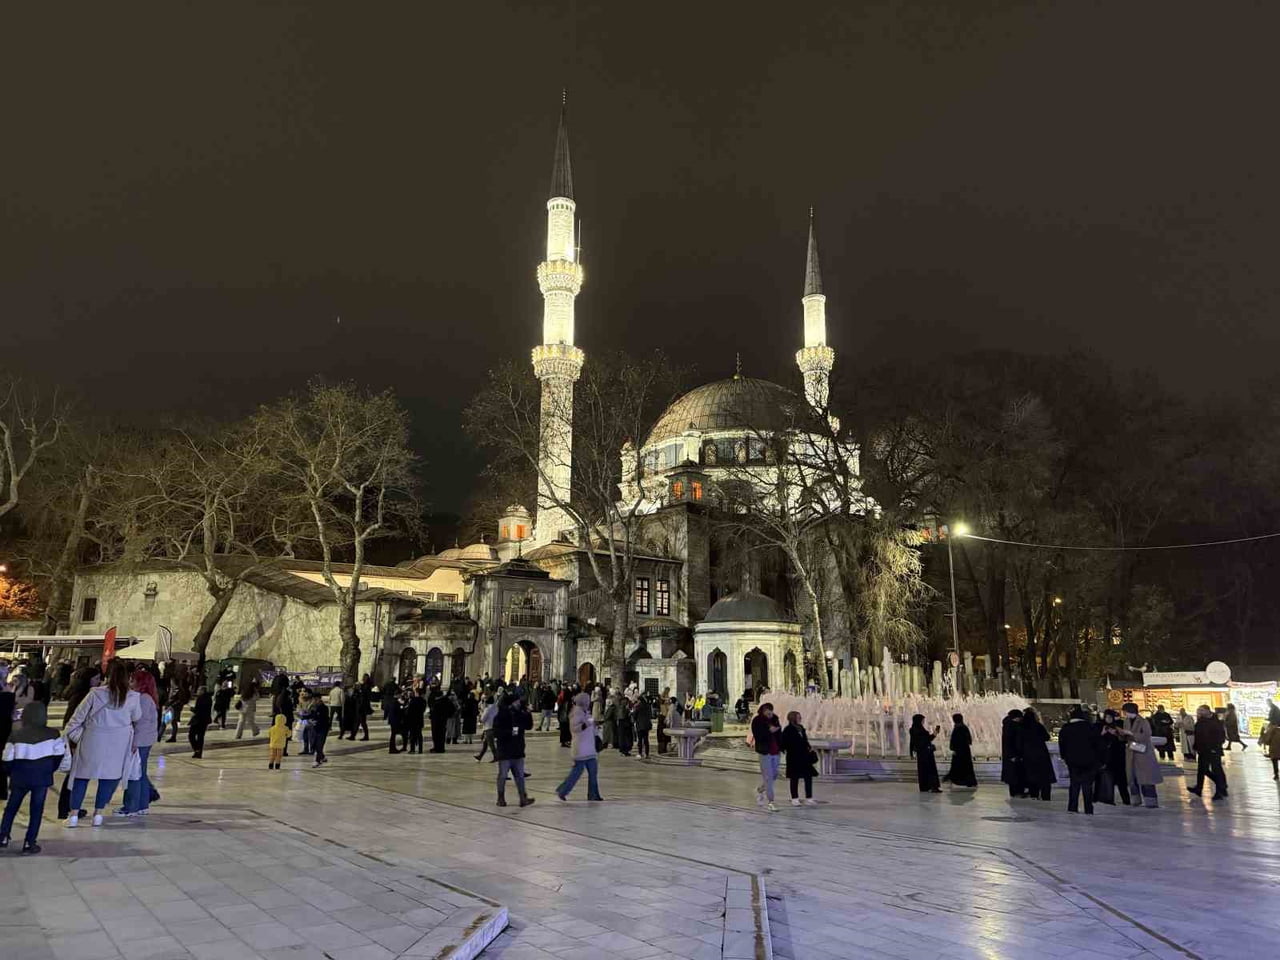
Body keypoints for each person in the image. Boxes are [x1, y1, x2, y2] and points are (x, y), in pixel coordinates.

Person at [63, 659, 142, 827]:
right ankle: (98, 814)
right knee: (109, 778)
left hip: (93, 739)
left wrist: (78, 737)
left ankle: (74, 815)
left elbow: (78, 717)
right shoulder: (134, 697)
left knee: (81, 777)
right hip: (118, 743)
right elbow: (136, 717)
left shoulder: (95, 693)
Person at [0, 701, 67, 854]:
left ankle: (3, 836)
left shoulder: (16, 735)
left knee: (11, 808)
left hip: (20, 777)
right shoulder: (53, 734)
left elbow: (7, 758)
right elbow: (58, 755)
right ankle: (29, 843)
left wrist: (12, 772)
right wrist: (49, 769)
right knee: (36, 811)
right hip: (41, 778)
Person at [555, 692, 603, 801]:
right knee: (576, 774)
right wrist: (587, 724)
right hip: (581, 749)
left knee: (593, 773)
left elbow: (590, 725)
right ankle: (562, 791)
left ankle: (593, 794)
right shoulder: (576, 713)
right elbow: (575, 728)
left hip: (589, 749)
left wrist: (595, 727)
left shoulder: (585, 712)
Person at [1116, 701, 1162, 807]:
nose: (1125, 714)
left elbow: (1146, 736)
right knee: (1132, 778)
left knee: (1146, 779)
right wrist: (1120, 734)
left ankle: (1150, 801)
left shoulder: (1143, 721)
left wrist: (1131, 733)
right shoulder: (1126, 721)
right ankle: (1136, 799)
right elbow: (1125, 737)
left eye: (1126, 712)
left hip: (1143, 752)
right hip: (1131, 751)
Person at [494, 692, 535, 808]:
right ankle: (500, 798)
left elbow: (528, 726)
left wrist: (528, 713)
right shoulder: (502, 715)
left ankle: (523, 798)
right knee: (502, 775)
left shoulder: (520, 713)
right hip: (505, 751)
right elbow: (496, 732)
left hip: (517, 750)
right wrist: (510, 732)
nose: (519, 703)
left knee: (520, 776)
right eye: (517, 701)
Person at [1057, 706, 1101, 814]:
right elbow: (1098, 745)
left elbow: (1062, 744)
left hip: (1072, 760)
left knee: (1074, 784)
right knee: (1087, 785)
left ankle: (1072, 807)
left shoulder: (1066, 728)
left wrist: (1064, 757)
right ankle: (1088, 808)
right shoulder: (1090, 727)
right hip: (1089, 760)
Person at [1188, 705, 1227, 799]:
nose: (1199, 712)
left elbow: (1221, 736)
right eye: (1198, 710)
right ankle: (1199, 788)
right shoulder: (1201, 721)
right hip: (1202, 749)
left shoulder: (1216, 721)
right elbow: (1198, 735)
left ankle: (1220, 790)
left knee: (1216, 769)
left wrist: (1215, 747)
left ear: (1207, 710)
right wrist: (1195, 747)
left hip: (1214, 750)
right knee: (1202, 770)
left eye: (1201, 710)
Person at [778, 710, 818, 806]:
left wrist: (809, 747)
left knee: (808, 777)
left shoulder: (801, 728)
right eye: (798, 717)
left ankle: (809, 797)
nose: (800, 719)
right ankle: (795, 798)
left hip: (804, 757)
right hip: (794, 757)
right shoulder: (788, 730)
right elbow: (783, 743)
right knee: (794, 778)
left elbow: (805, 740)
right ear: (793, 718)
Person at [1095, 709, 1132, 806]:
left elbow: (1124, 739)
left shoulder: (1118, 726)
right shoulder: (1099, 726)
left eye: (1110, 717)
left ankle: (1126, 799)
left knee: (1121, 780)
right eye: (1107, 717)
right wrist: (1102, 733)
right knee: (1107, 779)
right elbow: (1095, 740)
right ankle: (1107, 798)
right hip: (1106, 758)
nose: (1109, 719)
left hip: (1118, 756)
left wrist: (1116, 733)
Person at [751, 702, 783, 811]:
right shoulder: (757, 721)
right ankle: (771, 802)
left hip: (776, 751)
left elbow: (779, 733)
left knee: (773, 776)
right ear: (763, 711)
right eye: (767, 712)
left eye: (771, 711)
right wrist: (769, 731)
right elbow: (758, 736)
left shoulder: (775, 719)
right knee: (768, 777)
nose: (770, 714)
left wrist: (781, 746)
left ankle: (760, 790)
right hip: (765, 752)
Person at [1020, 708, 1056, 801]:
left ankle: (1034, 795)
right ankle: (1046, 796)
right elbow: (1046, 737)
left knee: (1031, 775)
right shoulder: (1038, 726)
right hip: (1041, 753)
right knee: (1044, 776)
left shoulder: (1021, 727)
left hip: (1027, 754)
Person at [908, 714, 942, 793]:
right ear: (919, 720)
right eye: (922, 720)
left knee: (923, 770)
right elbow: (926, 740)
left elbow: (912, 742)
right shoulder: (918, 730)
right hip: (926, 752)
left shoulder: (913, 729)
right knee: (930, 769)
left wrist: (935, 733)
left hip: (921, 753)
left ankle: (924, 787)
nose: (923, 721)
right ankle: (933, 786)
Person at [944, 713, 978, 788]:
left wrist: (954, 748)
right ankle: (968, 781)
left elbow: (956, 740)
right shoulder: (964, 727)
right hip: (965, 750)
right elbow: (969, 740)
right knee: (966, 766)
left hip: (960, 751)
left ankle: (960, 780)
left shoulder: (959, 728)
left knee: (959, 766)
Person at [1000, 709, 1025, 798]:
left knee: (1015, 774)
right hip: (1013, 755)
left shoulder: (1009, 725)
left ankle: (1016, 792)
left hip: (1012, 754)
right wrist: (1012, 755)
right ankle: (1016, 792)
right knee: (1015, 774)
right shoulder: (1010, 726)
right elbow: (1008, 742)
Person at [163, 663, 189, 742]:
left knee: (167, 720)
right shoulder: (184, 679)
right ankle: (172, 736)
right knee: (173, 720)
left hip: (174, 702)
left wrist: (169, 701)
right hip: (178, 702)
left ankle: (162, 734)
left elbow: (175, 690)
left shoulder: (176, 679)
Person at [188, 686, 213, 759]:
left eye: (199, 690)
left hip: (198, 720)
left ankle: (197, 750)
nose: (198, 691)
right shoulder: (209, 698)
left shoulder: (200, 698)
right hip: (205, 720)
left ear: (202, 691)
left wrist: (192, 709)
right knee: (200, 736)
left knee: (191, 735)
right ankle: (199, 752)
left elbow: (198, 710)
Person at [428, 685, 455, 753]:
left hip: (436, 718)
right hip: (442, 719)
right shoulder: (444, 698)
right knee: (441, 734)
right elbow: (452, 708)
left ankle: (437, 748)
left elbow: (431, 705)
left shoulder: (434, 697)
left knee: (436, 734)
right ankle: (440, 748)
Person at [475, 694, 498, 761]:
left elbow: (483, 719)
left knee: (491, 744)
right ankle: (480, 756)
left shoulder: (487, 709)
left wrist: (479, 719)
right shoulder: (496, 708)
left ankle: (496, 756)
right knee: (485, 743)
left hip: (488, 728)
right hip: (494, 727)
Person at [404, 687, 427, 754]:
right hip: (419, 720)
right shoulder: (423, 701)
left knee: (412, 735)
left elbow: (409, 711)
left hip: (412, 720)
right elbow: (423, 710)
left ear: (416, 693)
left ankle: (412, 749)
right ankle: (420, 749)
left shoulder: (413, 701)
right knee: (419, 735)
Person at [310, 695, 331, 766]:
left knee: (319, 744)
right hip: (316, 728)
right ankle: (322, 757)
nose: (313, 701)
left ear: (318, 699)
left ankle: (317, 760)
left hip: (322, 728)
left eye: (315, 700)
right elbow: (313, 716)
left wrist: (315, 721)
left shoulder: (324, 708)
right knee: (315, 744)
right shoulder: (314, 707)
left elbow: (323, 719)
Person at [1261, 706, 1280, 781]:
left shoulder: (1272, 730)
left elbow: (1267, 741)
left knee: (1274, 762)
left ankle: (1276, 774)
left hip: (1274, 751)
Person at [385, 689, 404, 754]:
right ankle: (392, 749)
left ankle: (393, 748)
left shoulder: (391, 701)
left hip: (392, 720)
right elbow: (397, 711)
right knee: (393, 735)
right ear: (398, 694)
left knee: (393, 735)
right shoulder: (395, 702)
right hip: (395, 720)